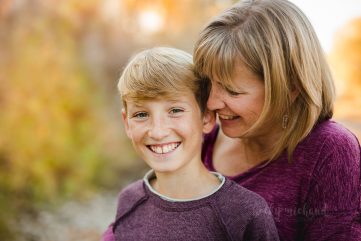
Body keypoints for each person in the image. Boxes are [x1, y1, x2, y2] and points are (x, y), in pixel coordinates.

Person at [192, 0, 361, 240]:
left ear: (290, 88)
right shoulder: (201, 139)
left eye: (232, 91)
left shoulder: (329, 152)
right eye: (208, 83)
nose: (211, 103)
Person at [102, 47, 279, 241]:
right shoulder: (129, 201)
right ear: (127, 123)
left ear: (206, 118)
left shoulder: (245, 213)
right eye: (141, 115)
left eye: (175, 110)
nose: (158, 132)